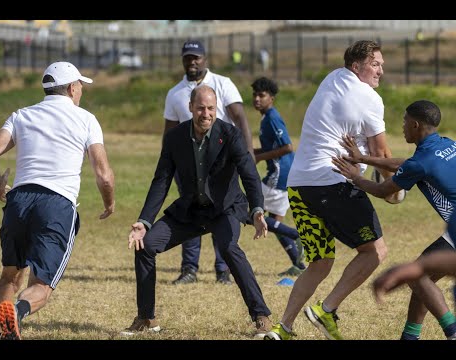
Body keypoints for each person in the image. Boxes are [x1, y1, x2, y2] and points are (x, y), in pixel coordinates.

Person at [264, 40, 392, 340]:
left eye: (382, 65)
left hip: (298, 185)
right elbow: (383, 155)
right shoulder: (369, 98)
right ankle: (326, 309)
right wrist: (391, 190)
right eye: (375, 64)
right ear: (356, 66)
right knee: (375, 251)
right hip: (331, 182)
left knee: (321, 261)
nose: (381, 71)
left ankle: (283, 327)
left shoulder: (332, 78)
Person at [122, 85, 272, 338]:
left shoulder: (231, 135)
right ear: (190, 107)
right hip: (191, 211)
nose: (206, 113)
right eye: (201, 107)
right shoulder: (174, 138)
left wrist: (257, 210)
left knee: (229, 248)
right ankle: (147, 318)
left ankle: (261, 316)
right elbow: (161, 180)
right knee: (145, 245)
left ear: (217, 109)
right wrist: (144, 222)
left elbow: (249, 173)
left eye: (211, 108)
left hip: (225, 209)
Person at [0, 61, 115, 340]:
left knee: (9, 276)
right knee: (42, 286)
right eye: (80, 86)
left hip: (19, 200)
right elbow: (104, 175)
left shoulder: (21, 115)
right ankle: (17, 312)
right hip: (56, 203)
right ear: (71, 88)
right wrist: (109, 203)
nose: (81, 92)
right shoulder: (86, 119)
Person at [332, 99, 456, 340]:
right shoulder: (447, 144)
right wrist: (364, 159)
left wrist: (356, 178)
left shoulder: (421, 162)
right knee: (422, 281)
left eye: (405, 121)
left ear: (416, 125)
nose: (402, 126)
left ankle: (452, 331)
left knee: (417, 275)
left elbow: (383, 190)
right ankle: (409, 337)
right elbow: (405, 164)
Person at [163, 39, 254, 285]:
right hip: (189, 167)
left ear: (205, 59)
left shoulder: (223, 84)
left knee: (221, 213)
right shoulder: (175, 94)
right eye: (188, 58)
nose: (192, 62)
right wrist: (167, 166)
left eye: (197, 57)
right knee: (190, 212)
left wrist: (248, 153)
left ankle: (223, 270)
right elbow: (169, 134)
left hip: (221, 165)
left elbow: (240, 119)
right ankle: (189, 269)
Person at [251, 77, 306, 277]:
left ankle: (297, 235)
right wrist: (252, 152)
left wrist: (258, 158)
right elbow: (269, 147)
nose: (257, 99)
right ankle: (298, 266)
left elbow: (287, 147)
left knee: (251, 212)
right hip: (284, 174)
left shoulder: (273, 117)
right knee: (275, 222)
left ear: (271, 98)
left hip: (279, 174)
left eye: (261, 95)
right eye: (255, 95)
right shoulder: (266, 117)